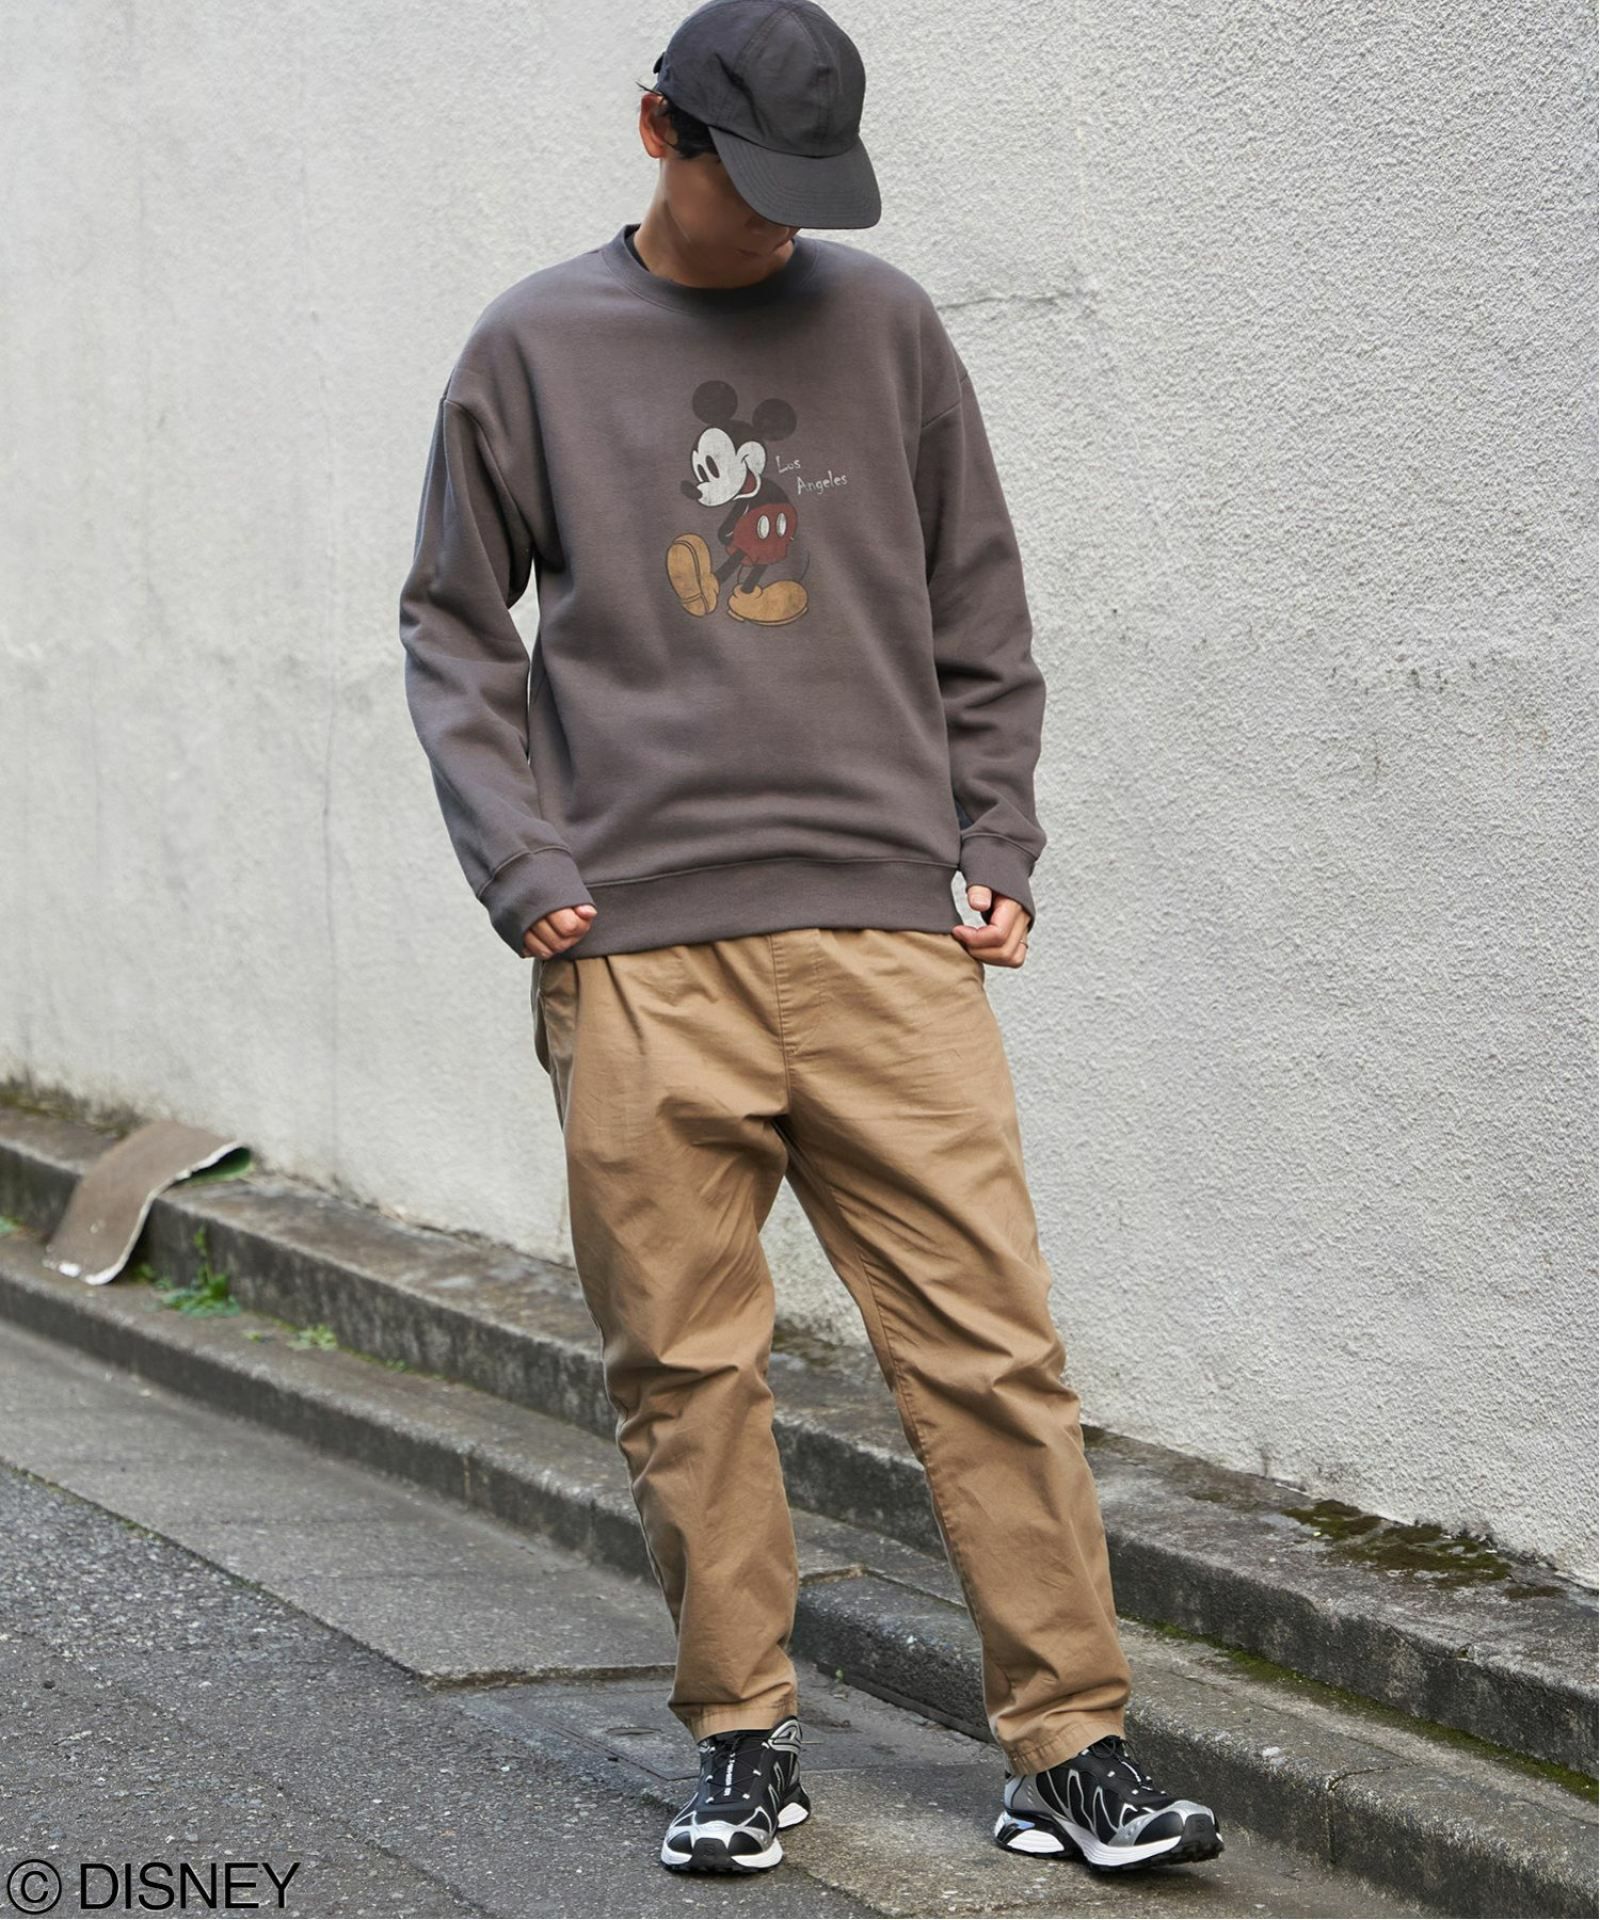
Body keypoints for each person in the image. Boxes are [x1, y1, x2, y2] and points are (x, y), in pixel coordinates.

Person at [398, 0, 1223, 1881]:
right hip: (640, 950)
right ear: (657, 131)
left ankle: (1070, 1749)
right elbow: (452, 620)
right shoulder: (533, 346)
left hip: (886, 938)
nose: (779, 224)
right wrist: (525, 865)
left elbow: (977, 597)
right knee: (685, 1367)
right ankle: (742, 1739)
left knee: (993, 1349)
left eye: (808, 190)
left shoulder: (889, 325)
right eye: (747, 182)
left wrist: (996, 835)